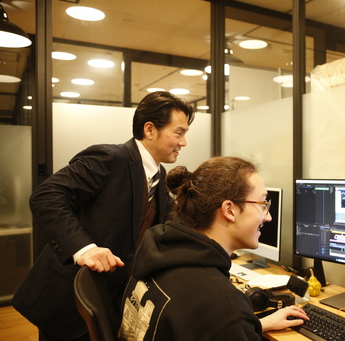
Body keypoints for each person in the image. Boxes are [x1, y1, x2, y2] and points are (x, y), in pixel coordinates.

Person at [12, 91, 195, 341]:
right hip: (67, 301)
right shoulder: (110, 158)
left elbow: (169, 227)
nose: (184, 142)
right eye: (179, 132)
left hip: (109, 305)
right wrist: (84, 248)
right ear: (150, 129)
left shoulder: (159, 179)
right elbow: (47, 195)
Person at [118, 156, 309, 341]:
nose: (268, 217)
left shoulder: (158, 251)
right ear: (229, 210)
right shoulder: (223, 308)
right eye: (262, 204)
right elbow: (218, 320)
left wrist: (252, 325)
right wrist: (236, 323)